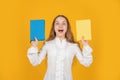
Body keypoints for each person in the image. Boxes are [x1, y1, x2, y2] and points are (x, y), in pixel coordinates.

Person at [27, 15, 93, 80]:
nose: (60, 26)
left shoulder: (73, 46)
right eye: (57, 23)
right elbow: (35, 62)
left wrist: (86, 46)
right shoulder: (48, 45)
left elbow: (86, 62)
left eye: (63, 23)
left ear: (67, 27)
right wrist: (34, 47)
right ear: (54, 27)